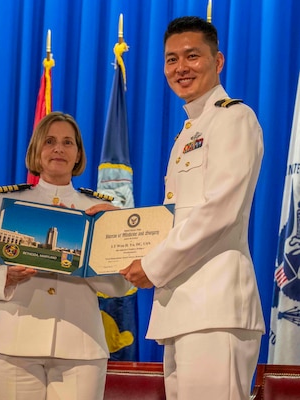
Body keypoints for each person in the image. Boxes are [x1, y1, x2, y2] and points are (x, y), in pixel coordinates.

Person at [120, 16, 265, 400]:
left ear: (217, 61)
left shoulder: (234, 117)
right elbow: (174, 220)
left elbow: (220, 210)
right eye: (171, 59)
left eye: (192, 56)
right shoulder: (188, 132)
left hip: (216, 307)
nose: (180, 68)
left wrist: (152, 266)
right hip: (182, 307)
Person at [0, 111, 130, 400]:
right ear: (37, 150)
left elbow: (122, 285)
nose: (59, 149)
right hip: (11, 345)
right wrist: (6, 276)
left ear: (78, 154)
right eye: (50, 141)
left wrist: (92, 265)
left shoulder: (98, 210)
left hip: (81, 346)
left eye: (68, 143)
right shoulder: (7, 202)